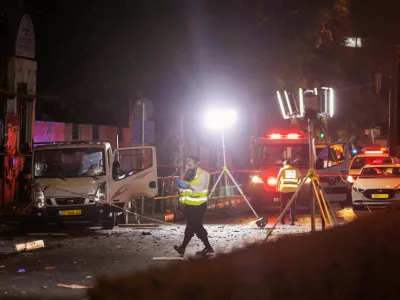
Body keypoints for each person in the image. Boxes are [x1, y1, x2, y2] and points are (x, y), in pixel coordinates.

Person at [174, 156, 213, 256]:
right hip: (189, 205)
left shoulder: (203, 174)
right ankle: (208, 248)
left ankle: (183, 248)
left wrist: (187, 186)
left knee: (192, 226)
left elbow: (200, 187)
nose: (187, 167)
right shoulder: (188, 174)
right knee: (196, 226)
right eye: (187, 165)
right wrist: (180, 186)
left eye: (190, 165)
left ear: (196, 164)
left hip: (199, 205)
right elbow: (184, 190)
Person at [276, 159, 301, 225]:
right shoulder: (296, 170)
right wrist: (297, 185)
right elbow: (300, 179)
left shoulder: (282, 169)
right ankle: (292, 221)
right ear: (290, 164)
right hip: (293, 190)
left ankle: (282, 220)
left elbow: (278, 179)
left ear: (284, 164)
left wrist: (277, 187)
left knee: (283, 205)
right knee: (293, 206)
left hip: (284, 190)